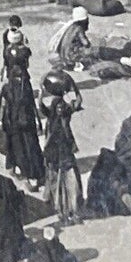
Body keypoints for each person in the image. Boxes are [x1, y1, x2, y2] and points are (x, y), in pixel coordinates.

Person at [0, 21, 45, 186]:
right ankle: (32, 174)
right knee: (30, 146)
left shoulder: (8, 87)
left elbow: (2, 107)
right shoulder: (26, 85)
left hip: (13, 123)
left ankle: (15, 166)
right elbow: (31, 105)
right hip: (26, 122)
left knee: (16, 144)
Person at [40, 71, 84, 224]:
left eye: (61, 106)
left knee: (69, 181)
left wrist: (74, 87)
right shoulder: (51, 116)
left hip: (64, 151)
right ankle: (63, 212)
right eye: (57, 107)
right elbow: (41, 106)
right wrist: (41, 91)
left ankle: (72, 211)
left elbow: (78, 101)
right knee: (57, 182)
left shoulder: (66, 115)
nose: (60, 109)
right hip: (54, 152)